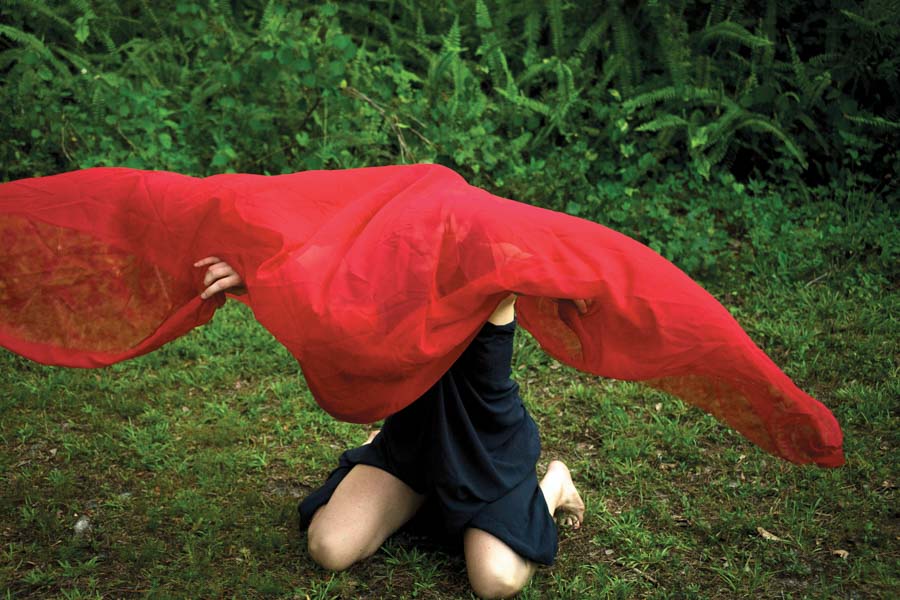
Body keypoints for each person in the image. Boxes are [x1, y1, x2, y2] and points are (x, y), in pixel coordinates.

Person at [195, 256, 586, 599]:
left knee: (495, 581)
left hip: (485, 454)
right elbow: (324, 283)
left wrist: (571, 282)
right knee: (329, 548)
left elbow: (532, 264)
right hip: (412, 444)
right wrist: (259, 278)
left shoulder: (493, 290)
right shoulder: (388, 285)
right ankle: (409, 480)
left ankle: (555, 484)